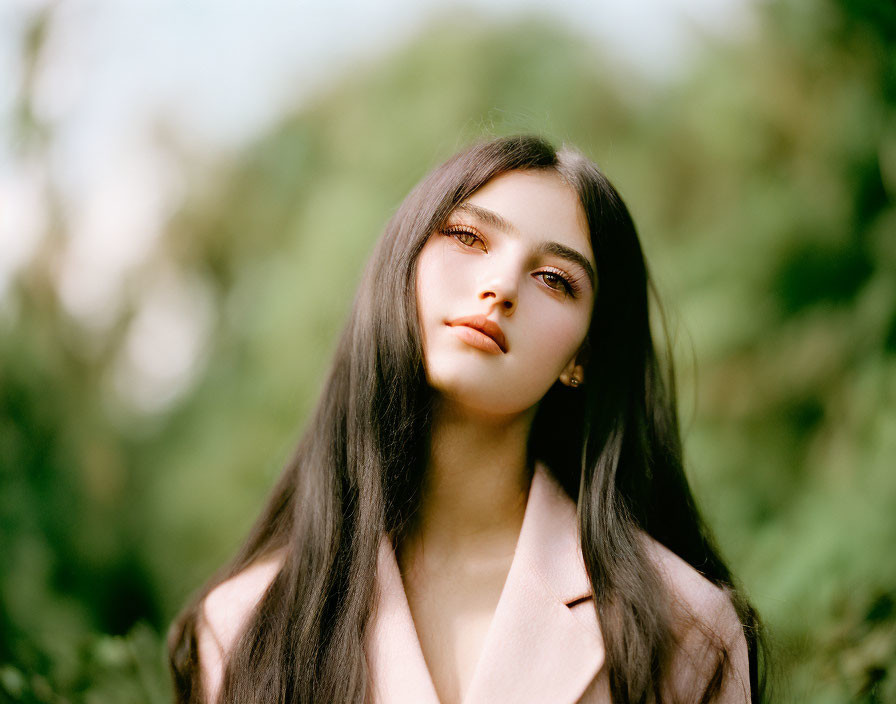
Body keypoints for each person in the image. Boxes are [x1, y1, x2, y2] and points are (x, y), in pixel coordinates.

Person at [168, 135, 764, 703]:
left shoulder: (686, 630)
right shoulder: (244, 627)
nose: (500, 286)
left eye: (555, 279)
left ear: (581, 355)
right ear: (404, 265)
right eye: (468, 237)